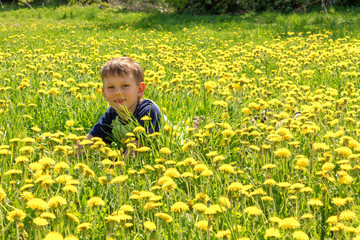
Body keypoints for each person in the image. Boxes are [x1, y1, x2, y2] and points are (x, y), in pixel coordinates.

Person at [86, 57, 162, 145]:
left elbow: (136, 151)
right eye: (111, 87)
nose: (118, 93)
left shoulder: (148, 111)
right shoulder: (111, 115)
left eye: (125, 85)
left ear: (140, 90)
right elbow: (88, 141)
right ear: (104, 93)